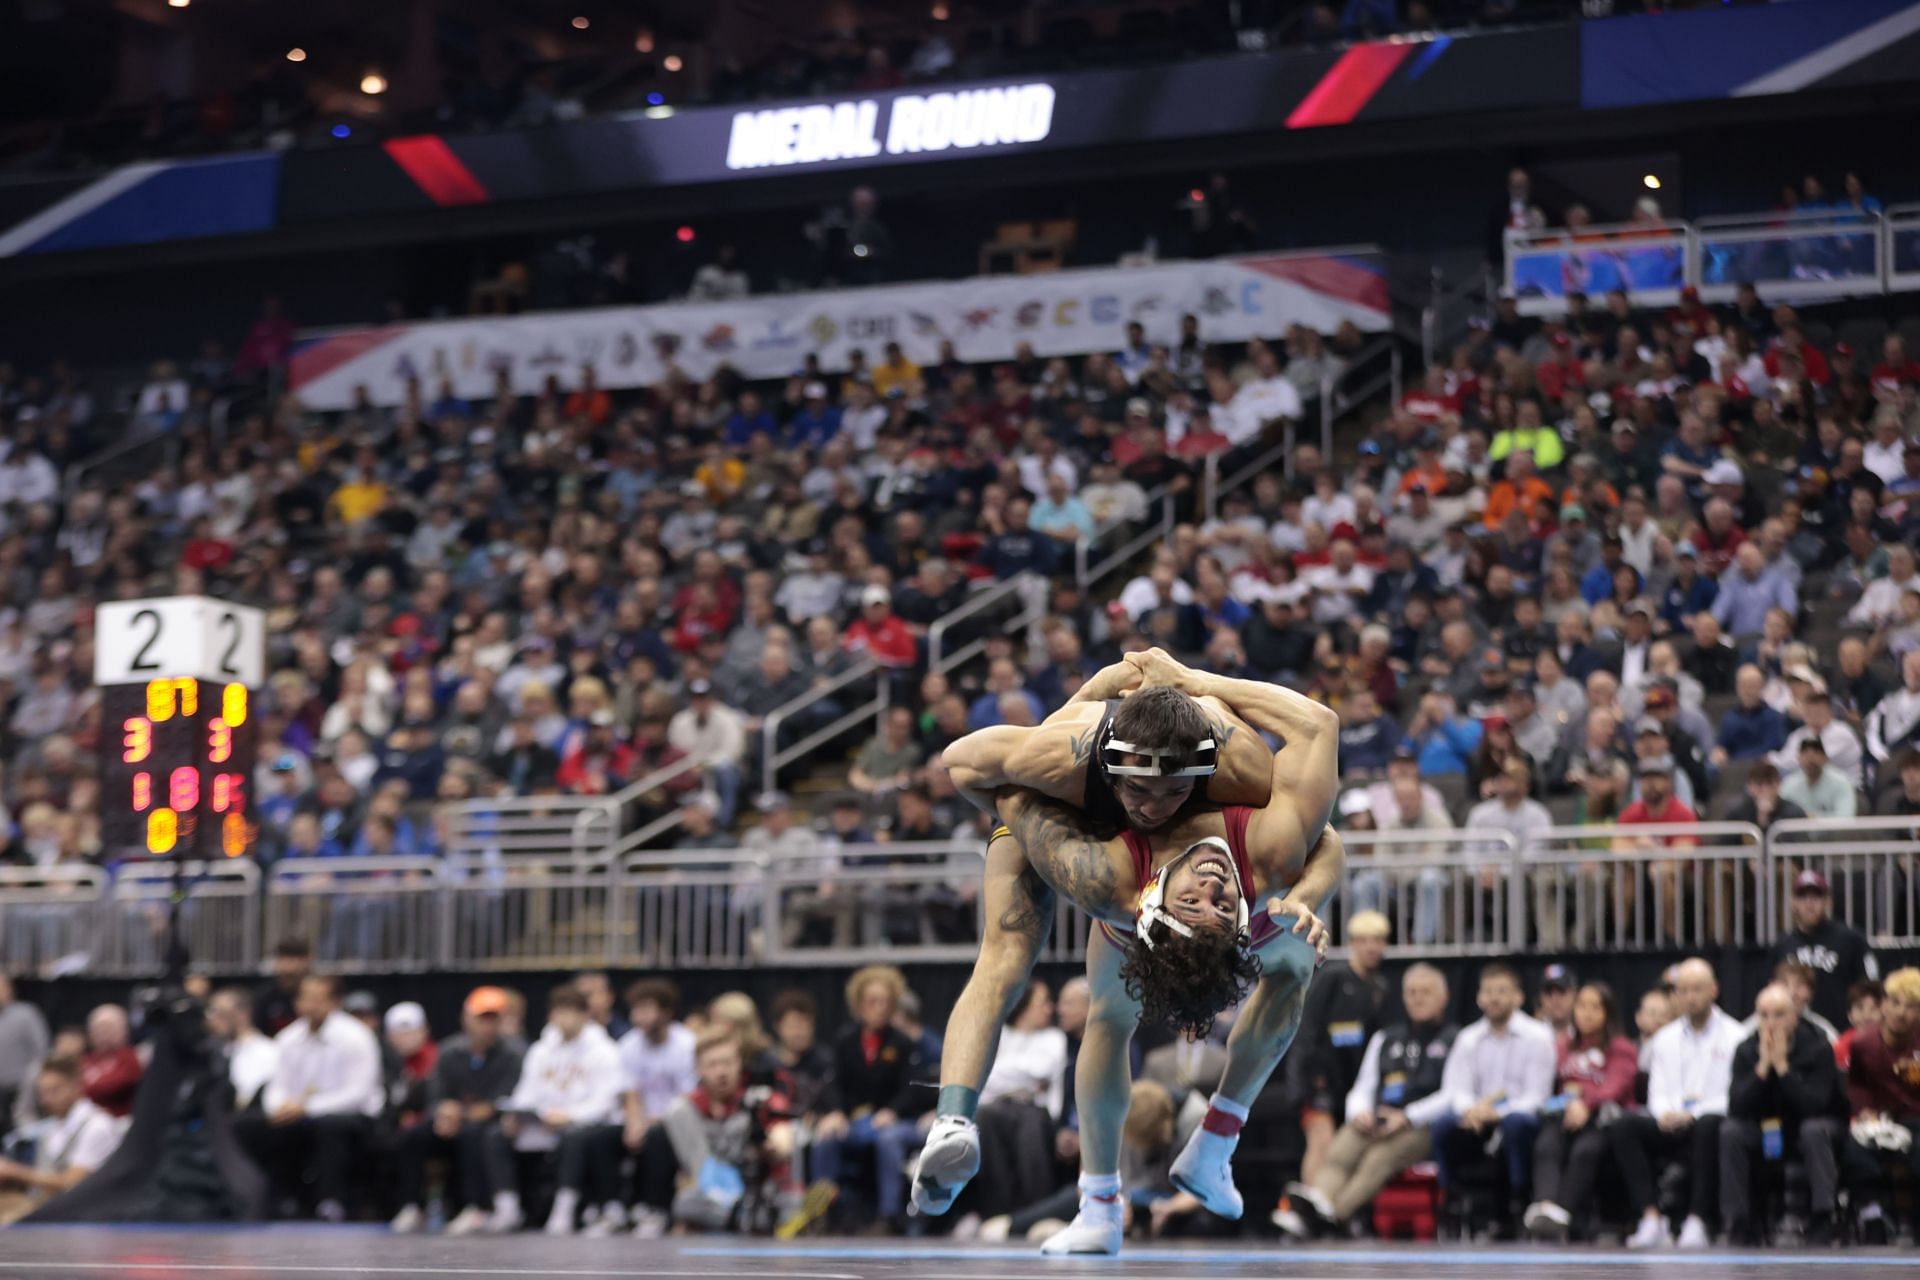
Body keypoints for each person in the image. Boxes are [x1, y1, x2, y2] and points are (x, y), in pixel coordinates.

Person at [923, 649, 1341, 1257]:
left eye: (1171, 791)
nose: (1211, 891)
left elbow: (1327, 839)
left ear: (1152, 907)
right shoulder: (1252, 821)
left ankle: (1207, 1145)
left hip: (1073, 815)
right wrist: (1186, 682)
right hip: (1076, 790)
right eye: (1221, 908)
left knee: (1288, 966)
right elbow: (967, 769)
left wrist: (1306, 893)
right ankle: (970, 1129)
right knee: (1014, 955)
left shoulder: (1116, 879)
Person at [1281, 964, 1458, 1239]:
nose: (1418, 999)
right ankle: (1317, 1201)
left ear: (1444, 998)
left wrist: (1408, 1116)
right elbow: (1363, 1087)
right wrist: (1360, 1113)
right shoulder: (1386, 1038)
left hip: (1422, 1127)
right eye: (1411, 992)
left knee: (1378, 1157)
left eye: (1425, 992)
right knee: (1343, 1147)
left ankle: (1334, 1215)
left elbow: (1454, 1095)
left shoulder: (1457, 1039)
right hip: (1377, 1118)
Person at [1609, 958, 1746, 1249]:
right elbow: (1657, 1091)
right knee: (1624, 1125)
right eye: (1682, 990)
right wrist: (1664, 1113)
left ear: (1714, 990)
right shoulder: (1664, 1039)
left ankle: (1697, 1221)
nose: (1689, 997)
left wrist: (1692, 1114)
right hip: (1670, 1121)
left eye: (1697, 989)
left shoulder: (1736, 1036)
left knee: (1711, 1125)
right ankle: (1650, 1218)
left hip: (1708, 1121)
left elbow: (1732, 1095)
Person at [239, 975, 384, 1222]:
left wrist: (307, 1108)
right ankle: (276, 1199)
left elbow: (358, 1093)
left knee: (330, 1126)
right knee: (250, 1125)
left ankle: (331, 1202)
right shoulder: (288, 1038)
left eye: (318, 999)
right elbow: (277, 1086)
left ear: (335, 1002)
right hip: (301, 1115)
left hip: (354, 1117)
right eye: (305, 998)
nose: (310, 1005)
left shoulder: (356, 1037)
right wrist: (280, 1107)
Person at [1426, 963, 1558, 1235]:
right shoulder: (1467, 1038)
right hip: (1478, 1121)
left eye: (1502, 991)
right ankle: (1451, 1198)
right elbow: (1457, 1090)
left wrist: (1498, 1114)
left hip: (1520, 1121)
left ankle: (1516, 1201)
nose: (1494, 998)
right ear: (1478, 998)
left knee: (1516, 1125)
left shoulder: (1539, 1036)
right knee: (1445, 1126)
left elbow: (1537, 1097)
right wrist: (1472, 1111)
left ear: (1518, 997)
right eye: (1488, 991)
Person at [631, 1028, 795, 1235]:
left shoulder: (759, 1100)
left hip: (758, 1190)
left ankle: (743, 1216)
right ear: (699, 1069)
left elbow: (783, 1136)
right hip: (711, 1191)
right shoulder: (687, 1108)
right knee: (685, 1202)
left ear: (739, 1064)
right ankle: (733, 1216)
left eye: (727, 1063)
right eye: (713, 1065)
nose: (721, 1072)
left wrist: (775, 1145)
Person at [393, 986, 526, 1236]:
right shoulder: (449, 1051)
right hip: (450, 1122)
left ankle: (475, 1208)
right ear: (466, 1019)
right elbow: (436, 1096)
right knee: (413, 1134)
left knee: (474, 1134)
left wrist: (461, 1114)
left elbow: (501, 1101)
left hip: (487, 1126)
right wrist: (444, 1112)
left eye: (493, 1019)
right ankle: (412, 1206)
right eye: (481, 1018)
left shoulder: (513, 1054)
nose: (487, 1026)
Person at [1721, 983, 1848, 1244]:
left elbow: (1814, 1106)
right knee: (1731, 1132)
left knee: (1814, 1130)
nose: (1770, 1023)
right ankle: (1739, 1221)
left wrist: (1782, 1067)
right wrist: (1763, 1067)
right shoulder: (1746, 1050)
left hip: (1809, 1128)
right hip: (1766, 1128)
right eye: (1763, 1015)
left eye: (1779, 1014)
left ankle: (1823, 1216)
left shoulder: (1818, 1047)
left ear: (1794, 1016)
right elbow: (1736, 1106)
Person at [807, 965, 931, 1231]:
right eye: (873, 1001)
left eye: (886, 1002)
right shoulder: (845, 1041)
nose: (880, 1008)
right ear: (859, 1005)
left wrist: (892, 1111)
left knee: (888, 1139)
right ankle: (821, 1213)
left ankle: (887, 1216)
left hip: (892, 1121)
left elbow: (912, 1088)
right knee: (826, 1138)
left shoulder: (903, 1043)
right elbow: (835, 1083)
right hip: (856, 1122)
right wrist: (836, 1113)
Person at [503, 985, 624, 1237]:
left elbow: (606, 1101)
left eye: (571, 1012)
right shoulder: (540, 1050)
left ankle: (564, 1208)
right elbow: (526, 1091)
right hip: (542, 1122)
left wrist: (570, 1116)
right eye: (559, 1012)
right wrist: (519, 1114)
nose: (565, 1019)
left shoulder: (604, 1050)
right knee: (497, 1135)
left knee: (574, 1138)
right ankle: (506, 1206)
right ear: (551, 1015)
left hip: (585, 1124)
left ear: (584, 1015)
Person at [1524, 982, 1638, 1241]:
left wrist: (1586, 1104)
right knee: (1546, 1144)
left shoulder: (1622, 1048)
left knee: (1585, 1150)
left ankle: (1562, 1213)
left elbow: (1615, 1087)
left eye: (1594, 1007)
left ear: (1608, 1013)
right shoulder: (1563, 1046)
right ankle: (1545, 1206)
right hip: (1567, 1116)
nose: (1586, 1013)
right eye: (1582, 1006)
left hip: (1604, 1120)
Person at [1294, 910, 1392, 1186]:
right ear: (1352, 943)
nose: (1371, 947)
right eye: (1364, 940)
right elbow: (1307, 1029)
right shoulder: (1332, 978)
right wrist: (1310, 1080)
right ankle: (1310, 1210)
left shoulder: (1380, 988)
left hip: (1354, 1087)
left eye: (1378, 940)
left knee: (1349, 1150)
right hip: (1317, 1082)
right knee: (1322, 1140)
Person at [1843, 967, 1920, 1245]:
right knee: (1853, 1147)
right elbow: (1857, 1084)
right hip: (1879, 1121)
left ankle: (1912, 1221)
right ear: (1884, 1005)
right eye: (1895, 1003)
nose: (1901, 1012)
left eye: (1911, 1006)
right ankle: (1872, 1214)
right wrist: (1864, 1112)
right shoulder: (1863, 1043)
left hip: (1915, 1118)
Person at [0, 1058, 126, 1225]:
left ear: (76, 1086)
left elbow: (71, 1182)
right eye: (42, 1093)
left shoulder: (97, 1126)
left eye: (55, 1090)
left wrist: (15, 1171)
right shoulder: (51, 1126)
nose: (46, 1100)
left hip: (86, 1216)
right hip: (51, 1210)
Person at [1770, 870, 1878, 1030]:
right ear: (1793, 902)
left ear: (1828, 901)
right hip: (1795, 1033)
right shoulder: (1782, 945)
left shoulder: (1851, 940)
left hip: (1842, 1031)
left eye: (1816, 896)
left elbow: (1871, 986)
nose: (1809, 903)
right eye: (1802, 897)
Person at [617, 979, 698, 1179]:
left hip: (678, 1119)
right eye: (635, 1010)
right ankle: (612, 1203)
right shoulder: (628, 1044)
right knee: (599, 1137)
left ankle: (656, 1204)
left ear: (666, 1013)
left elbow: (688, 1096)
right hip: (641, 1120)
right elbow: (630, 1092)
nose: (637, 1017)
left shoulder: (687, 1044)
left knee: (656, 1135)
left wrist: (659, 1119)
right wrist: (635, 1123)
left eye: (645, 1010)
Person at [207, 986, 278, 1112]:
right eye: (211, 1013)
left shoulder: (266, 1053)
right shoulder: (215, 1050)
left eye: (222, 1013)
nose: (213, 1020)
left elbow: (247, 1101)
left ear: (243, 1014)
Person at [0, 975, 49, 1136]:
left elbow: (41, 1051)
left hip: (22, 1090)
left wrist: (31, 1084)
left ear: (9, 989)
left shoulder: (26, 1014)